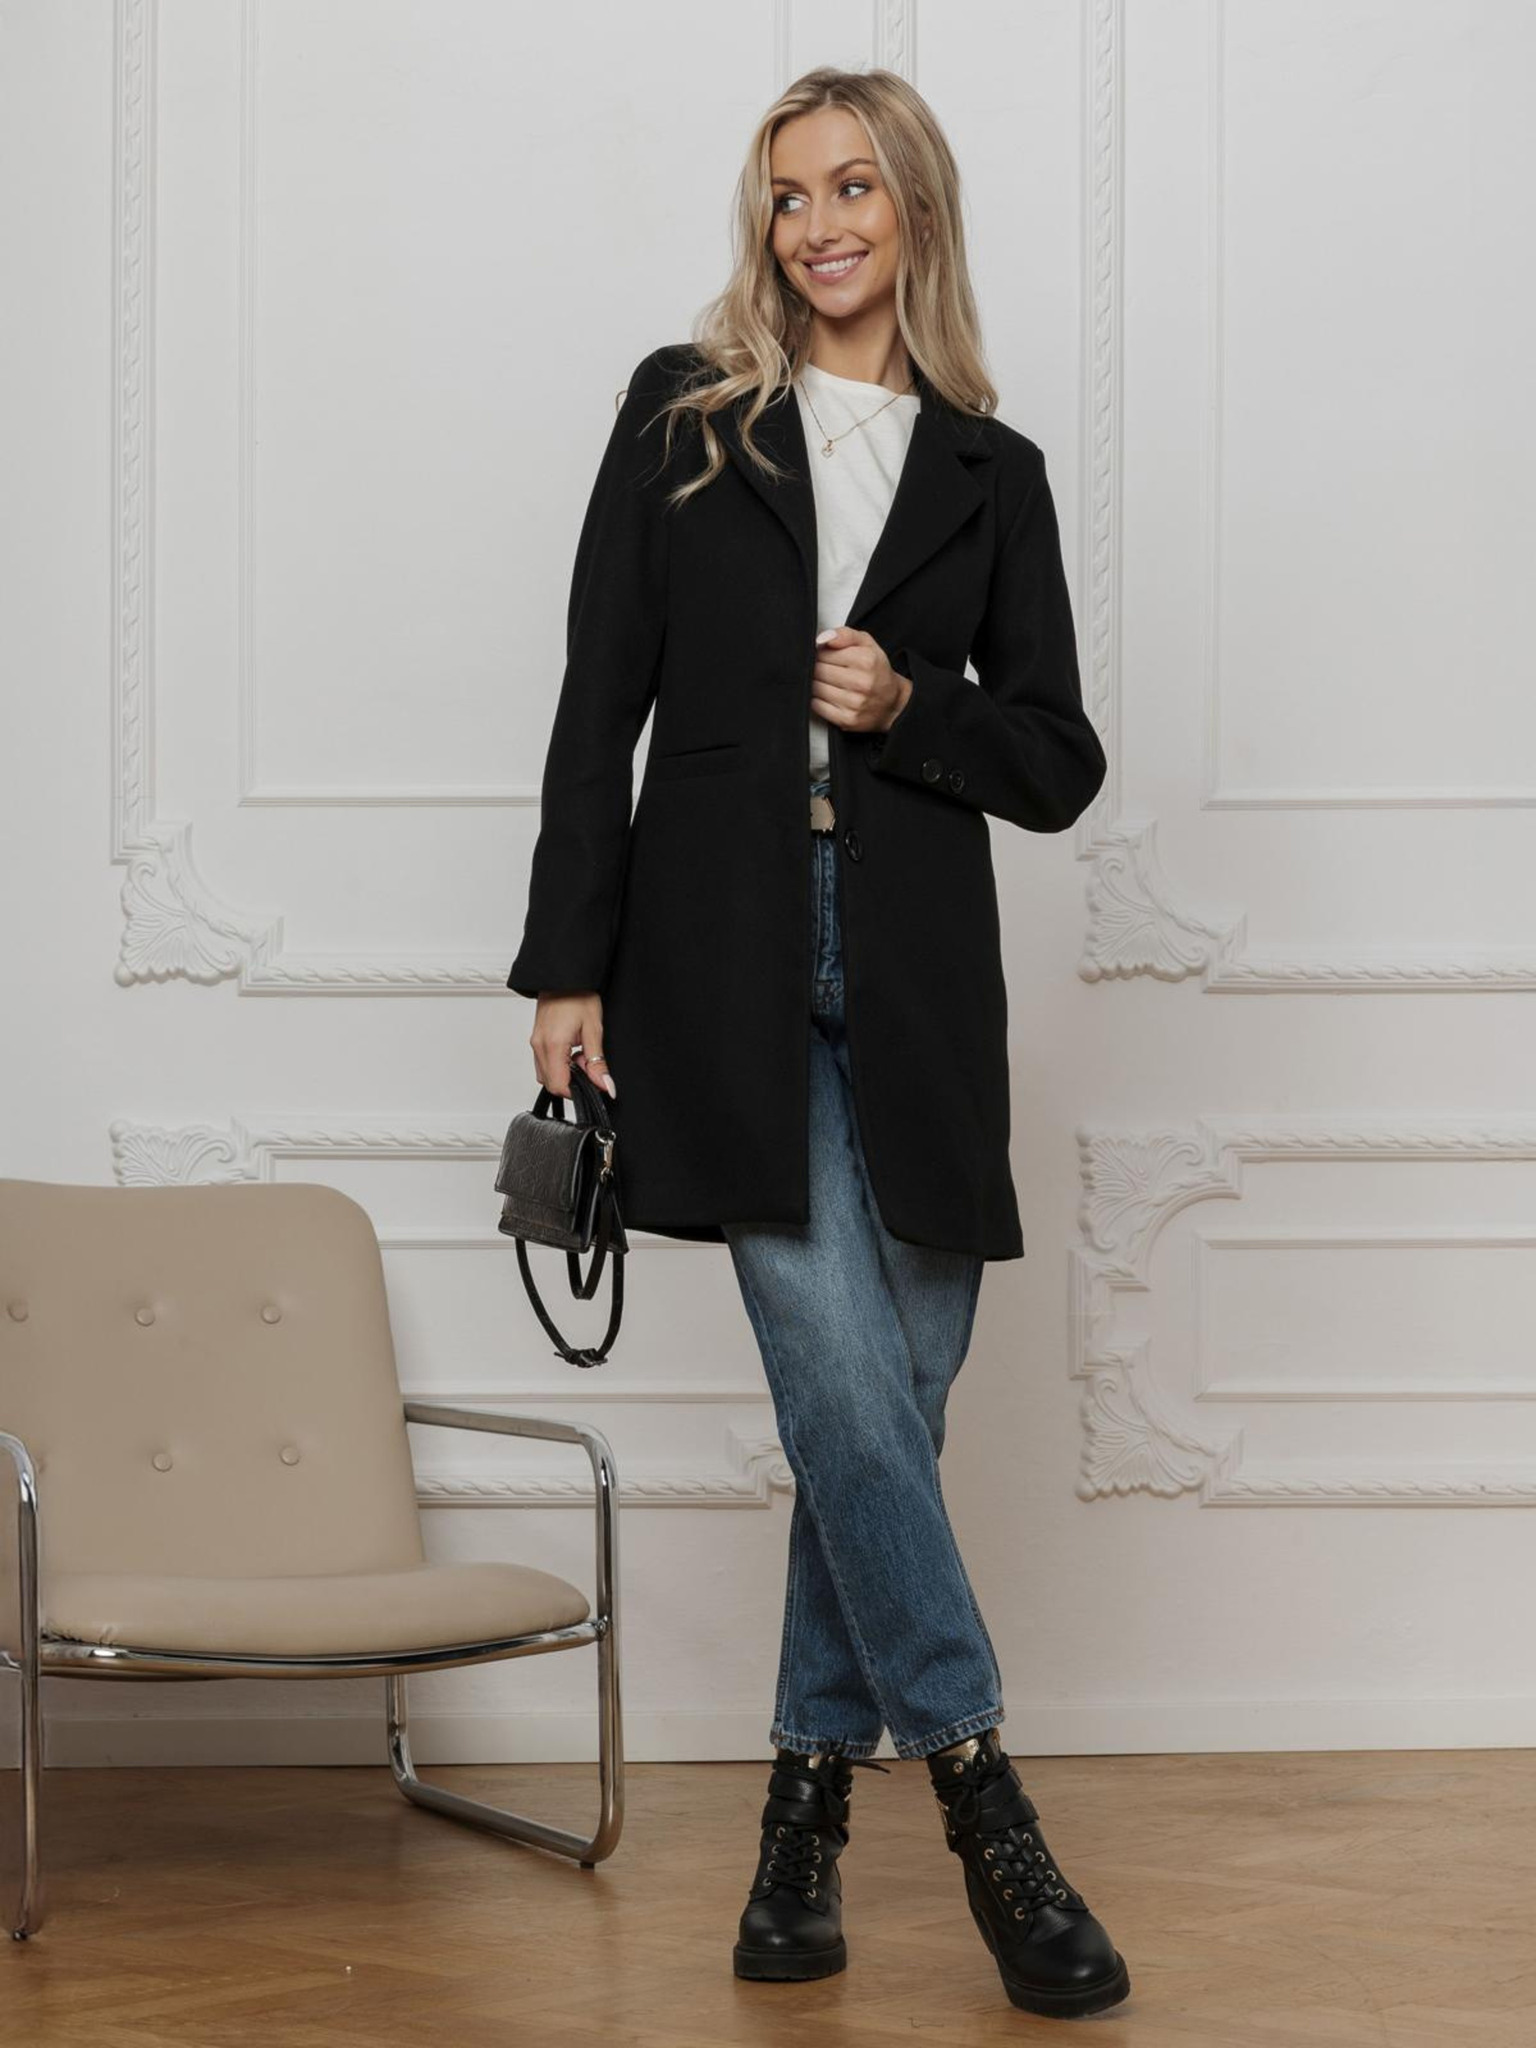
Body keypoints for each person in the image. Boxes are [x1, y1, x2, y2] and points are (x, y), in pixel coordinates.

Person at [507, 66, 1128, 2022]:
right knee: (851, 1392)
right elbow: (599, 694)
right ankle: (987, 1803)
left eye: (855, 187)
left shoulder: (992, 472)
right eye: (790, 196)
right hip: (716, 964)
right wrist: (565, 964)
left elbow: (1059, 758)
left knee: (889, 1409)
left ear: (912, 209)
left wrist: (910, 703)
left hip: (920, 982)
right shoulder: (685, 417)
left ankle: (799, 1817)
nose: (821, 225)